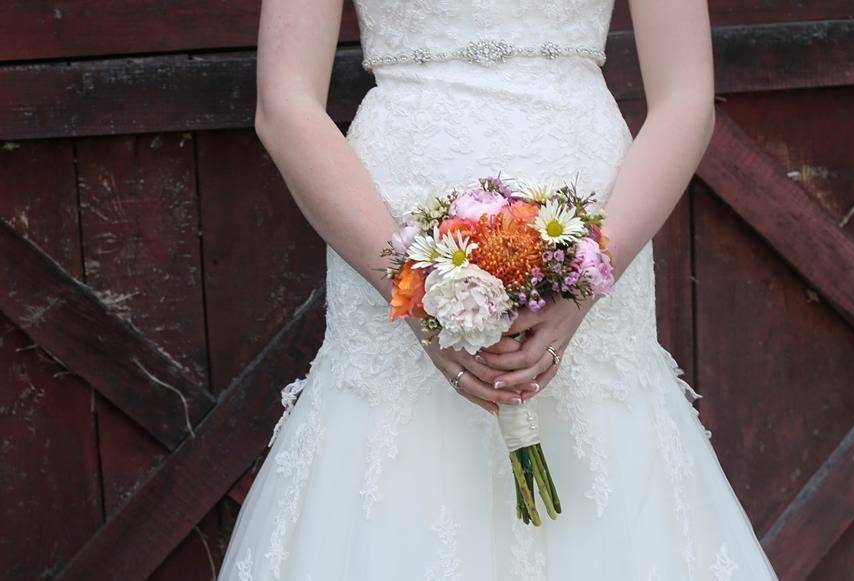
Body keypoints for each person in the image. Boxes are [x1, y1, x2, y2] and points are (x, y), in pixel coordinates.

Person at [218, 0, 780, 579]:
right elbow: (284, 101)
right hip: (391, 228)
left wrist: (588, 274)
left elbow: (686, 96)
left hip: (594, 221)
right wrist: (409, 285)